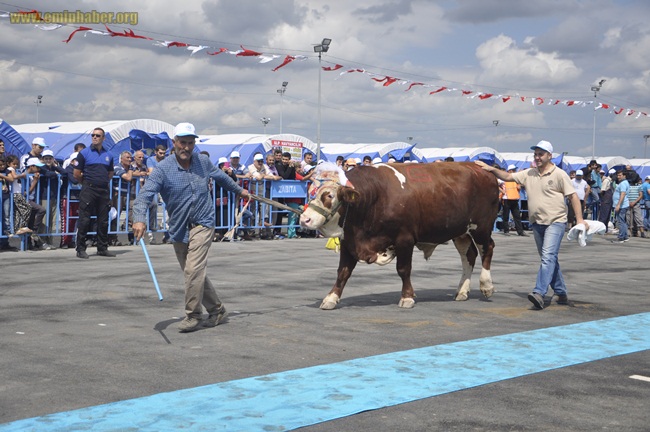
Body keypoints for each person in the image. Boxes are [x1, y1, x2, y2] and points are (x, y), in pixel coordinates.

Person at [132, 122, 249, 333]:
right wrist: (139, 219)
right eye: (182, 143)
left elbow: (220, 176)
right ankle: (217, 310)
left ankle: (193, 315)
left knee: (193, 270)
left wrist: (239, 191)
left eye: (190, 143)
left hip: (203, 223)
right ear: (174, 143)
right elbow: (144, 196)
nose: (186, 147)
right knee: (193, 273)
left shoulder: (202, 161)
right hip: (179, 228)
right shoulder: (163, 169)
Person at [476, 140, 586, 310]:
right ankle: (561, 292)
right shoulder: (529, 173)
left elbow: (572, 197)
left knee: (548, 257)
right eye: (536, 154)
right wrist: (490, 169)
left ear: (550, 156)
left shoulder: (560, 174)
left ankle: (539, 293)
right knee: (548, 259)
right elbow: (507, 177)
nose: (537, 157)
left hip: (555, 222)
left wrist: (579, 220)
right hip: (537, 223)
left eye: (541, 154)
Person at [73, 127, 116, 259]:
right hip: (89, 189)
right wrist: (87, 183)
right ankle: (80, 248)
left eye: (98, 135)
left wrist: (101, 182)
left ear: (103, 138)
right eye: (93, 135)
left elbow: (110, 173)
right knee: (84, 219)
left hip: (103, 190)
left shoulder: (108, 155)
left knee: (103, 220)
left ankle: (102, 248)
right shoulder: (84, 153)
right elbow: (76, 174)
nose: (95, 137)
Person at [39, 149, 65, 249]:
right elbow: (47, 174)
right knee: (44, 220)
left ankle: (49, 241)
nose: (48, 160)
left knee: (51, 220)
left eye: (50, 158)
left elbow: (65, 172)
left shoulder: (54, 167)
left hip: (53, 196)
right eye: (46, 158)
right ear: (43, 159)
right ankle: (42, 242)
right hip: (45, 197)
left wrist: (55, 166)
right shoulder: (42, 168)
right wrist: (55, 173)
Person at [500, 164, 527, 236]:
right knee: (506, 216)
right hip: (506, 199)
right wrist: (502, 191)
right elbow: (496, 183)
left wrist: (519, 185)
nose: (515, 171)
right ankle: (506, 231)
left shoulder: (516, 179)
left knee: (517, 216)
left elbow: (518, 187)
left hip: (515, 199)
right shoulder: (504, 178)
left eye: (515, 170)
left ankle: (520, 231)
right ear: (509, 171)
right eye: (514, 170)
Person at [612, 170, 630, 243]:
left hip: (621, 206)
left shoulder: (623, 184)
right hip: (623, 205)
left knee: (620, 221)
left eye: (620, 175)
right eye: (618, 175)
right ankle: (625, 236)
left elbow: (622, 194)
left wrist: (618, 205)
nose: (618, 177)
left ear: (624, 176)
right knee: (623, 221)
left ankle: (621, 237)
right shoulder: (624, 183)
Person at [626, 172, 645, 238]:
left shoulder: (639, 186)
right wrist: (628, 202)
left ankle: (642, 232)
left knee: (638, 218)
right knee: (628, 218)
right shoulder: (627, 185)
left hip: (636, 204)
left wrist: (634, 202)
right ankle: (630, 232)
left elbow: (641, 195)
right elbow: (625, 195)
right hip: (628, 203)